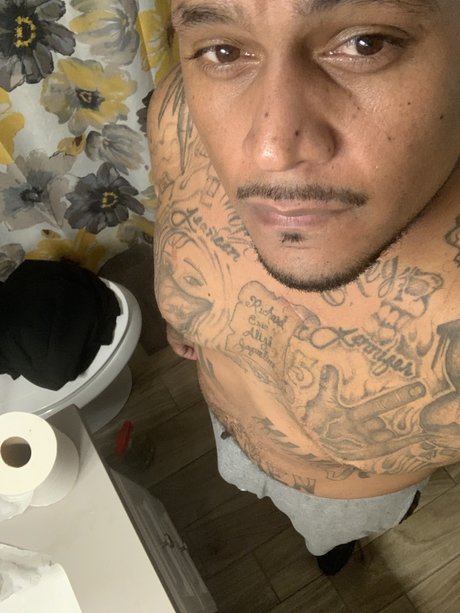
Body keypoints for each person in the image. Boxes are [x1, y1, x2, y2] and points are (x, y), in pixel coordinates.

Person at [148, 0, 460, 575]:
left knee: (325, 541)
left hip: (344, 501)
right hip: (222, 424)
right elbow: (174, 216)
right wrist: (183, 315)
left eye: (366, 43)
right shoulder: (181, 112)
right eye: (225, 50)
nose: (270, 150)